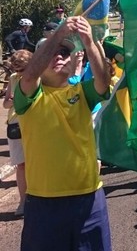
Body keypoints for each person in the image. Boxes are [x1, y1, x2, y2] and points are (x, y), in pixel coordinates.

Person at [14, 16, 112, 250]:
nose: (59, 56)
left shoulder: (83, 92)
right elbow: (29, 76)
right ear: (38, 61)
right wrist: (58, 34)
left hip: (90, 199)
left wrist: (89, 41)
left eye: (65, 53)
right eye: (51, 53)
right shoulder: (28, 96)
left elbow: (103, 80)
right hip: (44, 203)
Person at [3, 49, 33, 217]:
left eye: (22, 69)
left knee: (36, 162)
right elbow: (6, 105)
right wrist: (11, 100)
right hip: (16, 124)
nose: (19, 73)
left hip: (34, 123)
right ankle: (23, 201)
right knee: (21, 165)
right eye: (16, 70)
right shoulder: (13, 79)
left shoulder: (39, 77)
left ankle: (40, 198)